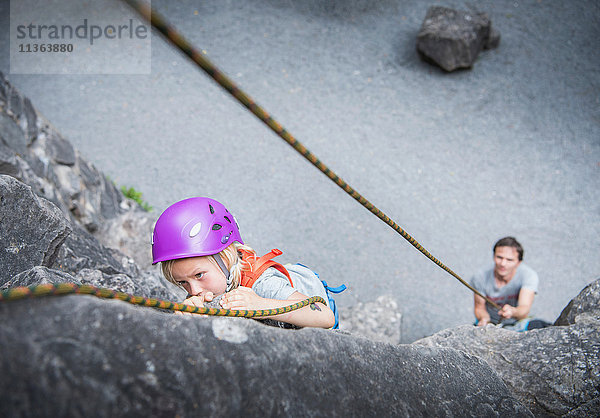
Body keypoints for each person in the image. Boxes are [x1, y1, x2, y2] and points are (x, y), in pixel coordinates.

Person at [151, 196, 337, 329]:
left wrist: (257, 305)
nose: (194, 291)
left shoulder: (264, 284)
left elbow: (325, 316)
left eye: (199, 275)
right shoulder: (214, 282)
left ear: (224, 258)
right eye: (183, 282)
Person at [470, 236, 549, 330]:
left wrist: (513, 312)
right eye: (499, 257)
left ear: (518, 262)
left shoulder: (528, 276)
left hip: (517, 323)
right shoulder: (480, 277)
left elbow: (524, 308)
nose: (503, 263)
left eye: (509, 260)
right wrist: (484, 319)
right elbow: (479, 307)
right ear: (493, 256)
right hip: (489, 323)